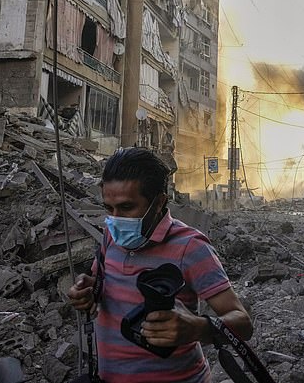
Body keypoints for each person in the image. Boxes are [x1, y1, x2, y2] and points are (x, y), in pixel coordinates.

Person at [68, 148, 252, 383]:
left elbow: (243, 324)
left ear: (159, 203)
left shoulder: (190, 247)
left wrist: (197, 328)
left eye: (126, 208)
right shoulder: (110, 237)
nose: (115, 219)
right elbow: (100, 282)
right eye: (109, 209)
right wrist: (86, 290)